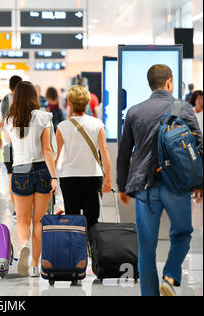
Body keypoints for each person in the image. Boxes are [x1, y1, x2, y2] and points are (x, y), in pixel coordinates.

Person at [117, 64, 203, 296]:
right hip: (177, 185)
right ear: (169, 82)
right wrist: (200, 183)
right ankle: (170, 275)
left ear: (150, 84)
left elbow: (124, 152)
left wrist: (122, 187)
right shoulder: (183, 108)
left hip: (145, 187)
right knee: (182, 234)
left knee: (146, 249)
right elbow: (199, 146)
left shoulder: (135, 111)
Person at [3, 81, 58, 278]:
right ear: (34, 96)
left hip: (20, 169)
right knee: (39, 220)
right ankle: (35, 264)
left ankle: (24, 245)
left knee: (22, 219)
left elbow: (10, 144)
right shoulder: (44, 117)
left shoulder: (9, 119)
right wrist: (53, 176)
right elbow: (47, 149)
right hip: (42, 168)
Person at [55, 85, 112, 233]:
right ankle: (93, 252)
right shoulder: (98, 124)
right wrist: (109, 178)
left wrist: (52, 177)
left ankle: (75, 254)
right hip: (92, 177)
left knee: (72, 221)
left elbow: (55, 155)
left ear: (69, 103)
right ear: (87, 102)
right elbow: (104, 152)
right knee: (92, 221)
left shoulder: (62, 126)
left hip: (69, 178)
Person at [0, 75, 23, 218]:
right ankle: (25, 208)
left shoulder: (2, 104)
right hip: (24, 146)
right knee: (24, 176)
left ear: (10, 87)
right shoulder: (25, 102)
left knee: (11, 177)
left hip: (7, 147)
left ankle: (17, 210)